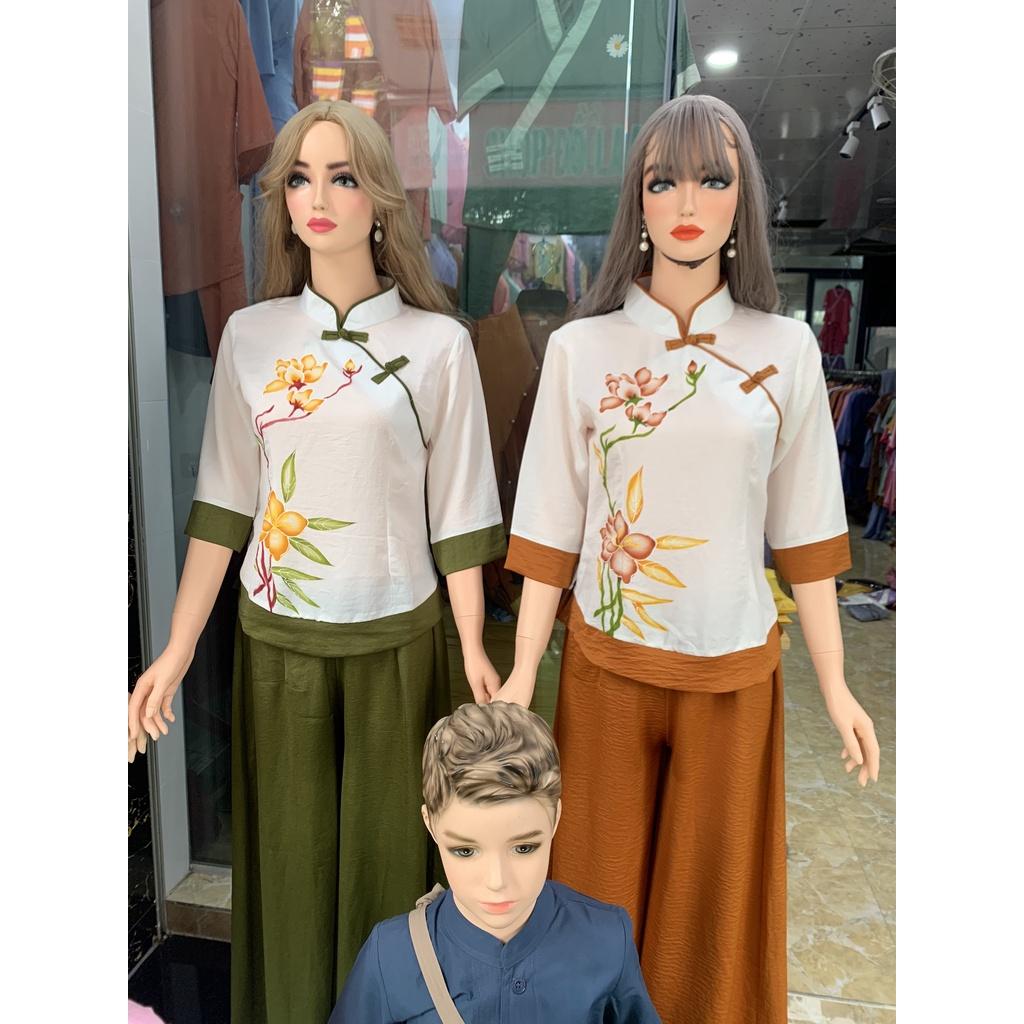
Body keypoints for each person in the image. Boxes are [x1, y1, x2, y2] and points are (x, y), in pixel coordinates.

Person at [497, 94, 881, 1023]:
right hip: (606, 668)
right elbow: (551, 522)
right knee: (594, 894)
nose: (687, 202)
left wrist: (835, 682)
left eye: (713, 178)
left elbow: (807, 532)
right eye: (663, 179)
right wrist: (520, 672)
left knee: (711, 917)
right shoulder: (582, 349)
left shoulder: (785, 350)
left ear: (742, 197)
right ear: (637, 197)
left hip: (732, 669)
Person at [126, 100, 506, 1023]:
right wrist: (177, 647)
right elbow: (225, 505)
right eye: (299, 178)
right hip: (277, 647)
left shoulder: (438, 345)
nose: (318, 197)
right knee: (289, 876)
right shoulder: (251, 338)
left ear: (379, 197)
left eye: (341, 176)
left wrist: (473, 648)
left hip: (398, 645)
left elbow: (459, 512)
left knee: (391, 876)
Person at [331, 701, 661, 1022]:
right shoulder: (390, 953)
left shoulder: (606, 938)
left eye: (524, 848)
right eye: (465, 851)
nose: (497, 881)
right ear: (430, 825)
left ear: (555, 818)